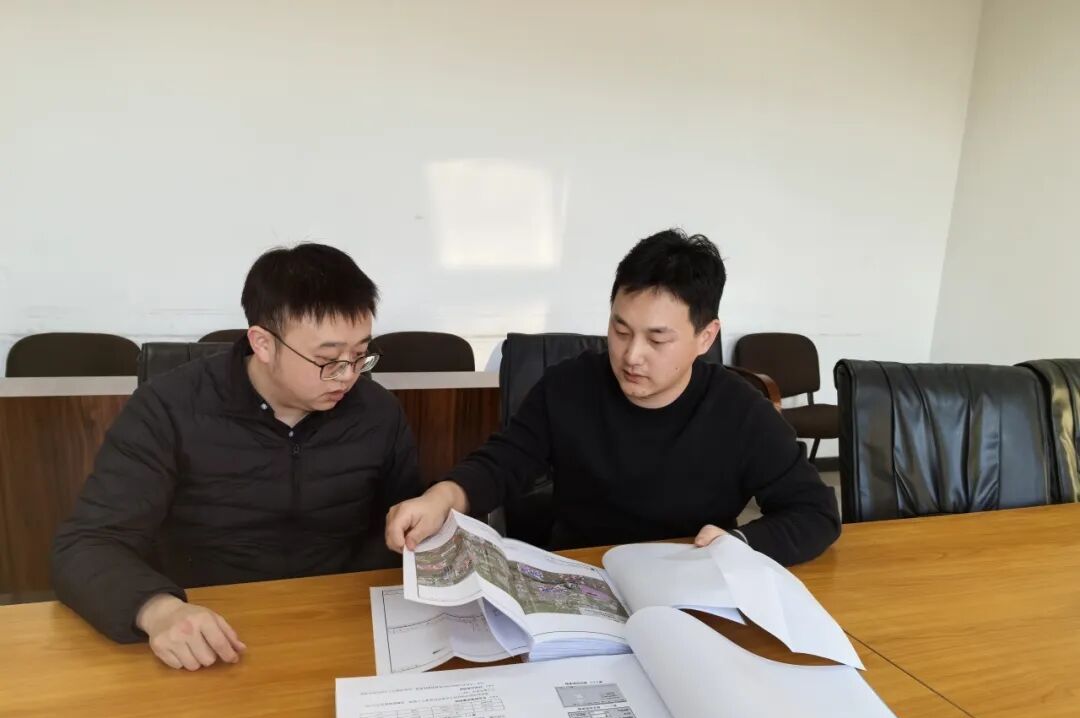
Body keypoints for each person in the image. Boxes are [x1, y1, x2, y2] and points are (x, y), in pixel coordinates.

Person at [53, 243, 420, 670]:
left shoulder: (376, 411)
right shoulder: (169, 408)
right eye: (327, 359)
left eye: (359, 355)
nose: (348, 376)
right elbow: (86, 544)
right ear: (262, 343)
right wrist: (159, 611)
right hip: (209, 633)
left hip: (339, 625)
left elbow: (405, 524)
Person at [386, 228, 840, 563]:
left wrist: (740, 545)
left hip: (689, 579)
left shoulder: (739, 411)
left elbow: (815, 513)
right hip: (582, 575)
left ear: (705, 337)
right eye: (620, 331)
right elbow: (502, 463)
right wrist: (441, 497)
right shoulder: (568, 387)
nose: (631, 356)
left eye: (657, 339)